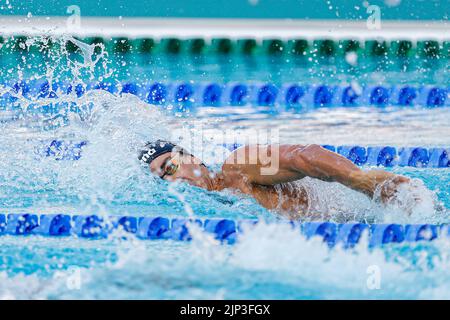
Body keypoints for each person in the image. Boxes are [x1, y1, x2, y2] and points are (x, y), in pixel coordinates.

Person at [139, 140, 416, 220]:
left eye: (170, 167)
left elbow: (304, 156)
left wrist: (362, 182)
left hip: (395, 203)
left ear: (189, 157)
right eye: (162, 179)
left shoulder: (238, 168)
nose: (173, 181)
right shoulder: (208, 214)